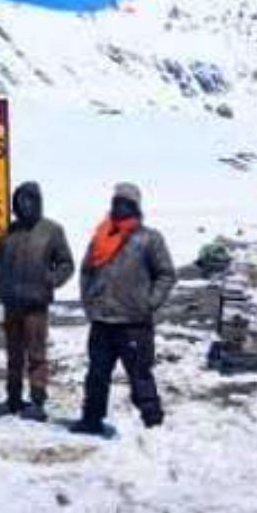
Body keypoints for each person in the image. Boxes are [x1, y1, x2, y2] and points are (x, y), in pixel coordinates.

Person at [72, 182, 175, 435]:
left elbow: (166, 274)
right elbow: (86, 272)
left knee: (140, 376)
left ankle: (153, 424)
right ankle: (91, 420)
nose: (119, 206)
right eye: (117, 201)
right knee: (96, 376)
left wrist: (149, 303)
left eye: (126, 203)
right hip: (102, 321)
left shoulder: (149, 238)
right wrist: (89, 302)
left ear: (135, 207)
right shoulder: (101, 236)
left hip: (134, 323)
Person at [0, 181, 75, 420]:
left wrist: (51, 280)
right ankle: (13, 398)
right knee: (13, 354)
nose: (24, 204)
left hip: (37, 304)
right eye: (20, 200)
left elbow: (67, 264)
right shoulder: (10, 231)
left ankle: (38, 400)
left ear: (37, 202)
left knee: (36, 354)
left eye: (29, 200)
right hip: (11, 302)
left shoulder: (52, 231)